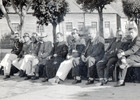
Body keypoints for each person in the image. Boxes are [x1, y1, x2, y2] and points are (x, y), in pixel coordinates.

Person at [114, 22, 140, 87]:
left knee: (124, 62)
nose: (130, 34)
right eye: (130, 33)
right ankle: (120, 80)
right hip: (132, 56)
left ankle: (121, 81)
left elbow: (133, 50)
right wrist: (121, 53)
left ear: (136, 32)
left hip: (138, 57)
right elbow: (125, 46)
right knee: (121, 60)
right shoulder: (131, 39)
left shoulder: (138, 39)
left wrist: (123, 53)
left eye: (132, 33)